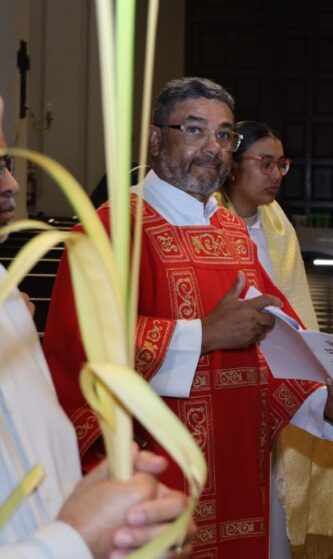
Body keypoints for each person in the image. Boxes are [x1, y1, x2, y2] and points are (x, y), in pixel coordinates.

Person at [43, 77, 333, 557]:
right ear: (157, 139)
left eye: (223, 135)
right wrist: (204, 335)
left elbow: (278, 340)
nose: (212, 148)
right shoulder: (112, 229)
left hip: (239, 471)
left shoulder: (232, 232)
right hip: (155, 474)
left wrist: (325, 405)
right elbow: (83, 350)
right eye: (194, 130)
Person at [0, 95, 192, 559]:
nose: (10, 184)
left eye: (7, 163)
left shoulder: (8, 294)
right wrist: (77, 538)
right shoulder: (109, 227)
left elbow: (30, 453)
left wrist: (100, 512)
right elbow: (83, 343)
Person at [214, 120, 333, 558]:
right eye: (265, 163)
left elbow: (296, 310)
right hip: (224, 373)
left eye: (281, 164)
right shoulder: (209, 220)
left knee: (276, 514)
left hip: (279, 376)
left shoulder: (279, 227)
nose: (275, 174)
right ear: (233, 166)